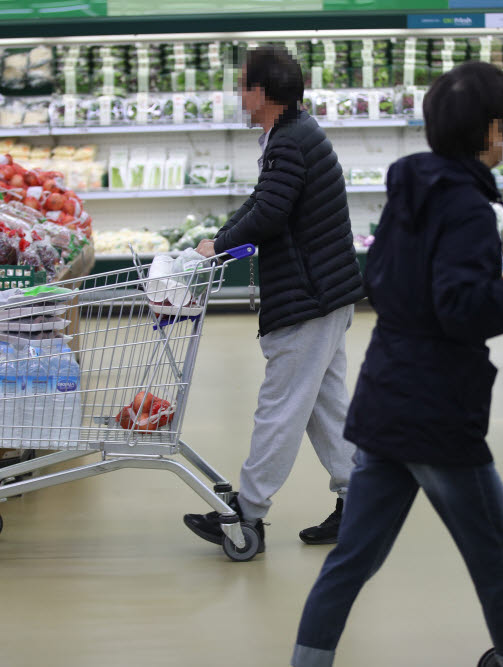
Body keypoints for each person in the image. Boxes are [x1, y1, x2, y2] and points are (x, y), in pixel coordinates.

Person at [290, 62, 503, 667]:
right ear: (489, 131)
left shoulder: (409, 187)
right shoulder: (469, 206)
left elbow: (380, 279)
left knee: (354, 556)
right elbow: (462, 307)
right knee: (501, 548)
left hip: (385, 399)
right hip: (438, 412)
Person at [184, 46, 365, 553]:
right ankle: (360, 503)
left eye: (243, 86)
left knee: (280, 408)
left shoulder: (289, 141)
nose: (239, 96)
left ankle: (247, 514)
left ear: (261, 92)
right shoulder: (295, 134)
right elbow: (264, 203)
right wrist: (220, 237)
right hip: (327, 291)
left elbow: (269, 213)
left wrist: (218, 246)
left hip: (308, 296)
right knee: (323, 406)